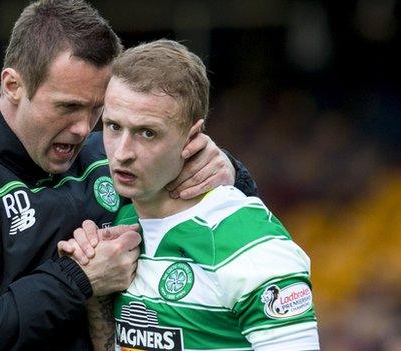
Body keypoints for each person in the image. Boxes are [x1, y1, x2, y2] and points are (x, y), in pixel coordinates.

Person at [0, 1, 257, 350]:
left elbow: (218, 225)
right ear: (14, 85)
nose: (83, 128)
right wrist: (78, 278)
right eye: (68, 107)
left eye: (98, 110)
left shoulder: (110, 157)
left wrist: (229, 174)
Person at [61, 40, 319, 350]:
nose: (122, 152)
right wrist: (94, 293)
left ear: (193, 137)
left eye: (147, 133)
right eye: (114, 127)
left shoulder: (251, 244)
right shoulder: (117, 231)